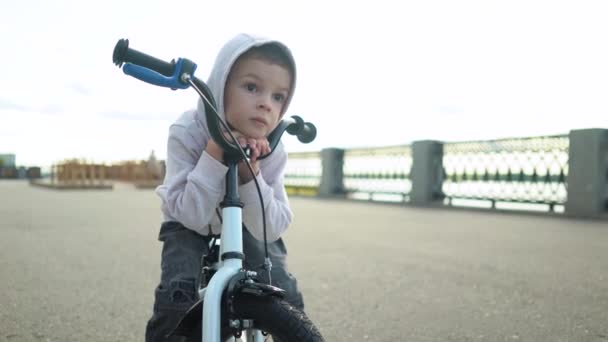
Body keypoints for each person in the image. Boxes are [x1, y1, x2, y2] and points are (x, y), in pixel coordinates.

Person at [145, 33, 305, 342]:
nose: (265, 104)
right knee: (178, 295)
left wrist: (251, 173)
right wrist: (215, 151)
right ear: (220, 89)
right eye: (251, 87)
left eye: (278, 97)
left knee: (286, 291)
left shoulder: (274, 149)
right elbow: (190, 215)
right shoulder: (187, 131)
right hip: (188, 223)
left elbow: (270, 228)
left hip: (246, 225)